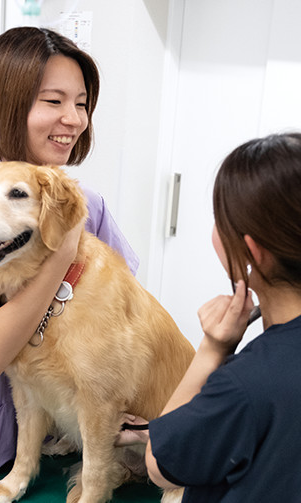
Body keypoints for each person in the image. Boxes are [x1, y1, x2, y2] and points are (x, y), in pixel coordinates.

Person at [0, 26, 139, 485]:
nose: (73, 119)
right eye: (53, 101)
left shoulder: (84, 202)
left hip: (68, 434)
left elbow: (122, 316)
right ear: (5, 105)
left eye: (82, 103)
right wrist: (65, 246)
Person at [118, 132, 301, 502]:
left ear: (252, 250)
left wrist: (212, 350)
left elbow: (161, 466)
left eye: (220, 220)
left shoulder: (245, 383)